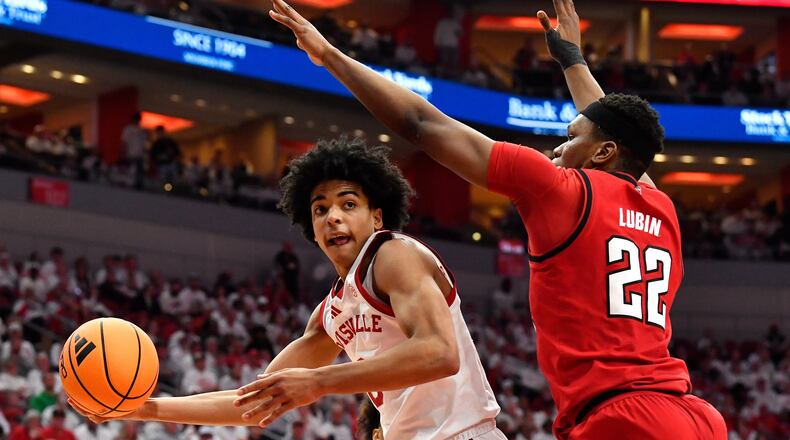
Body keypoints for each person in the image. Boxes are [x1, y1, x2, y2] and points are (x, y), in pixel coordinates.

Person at [267, 0, 727, 438]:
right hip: (693, 415)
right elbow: (623, 143)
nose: (559, 148)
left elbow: (422, 125)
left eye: (570, 137)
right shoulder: (660, 207)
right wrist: (572, 62)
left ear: (603, 152)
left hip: (620, 418)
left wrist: (329, 56)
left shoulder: (560, 189)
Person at [70, 137, 505, 439]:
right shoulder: (331, 313)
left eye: (348, 204)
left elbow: (438, 353)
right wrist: (147, 408)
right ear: (311, 227)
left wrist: (318, 382)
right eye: (320, 209)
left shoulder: (395, 255)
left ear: (377, 216)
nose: (333, 217)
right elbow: (256, 400)